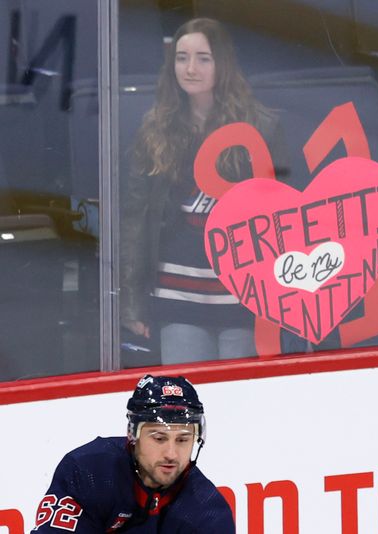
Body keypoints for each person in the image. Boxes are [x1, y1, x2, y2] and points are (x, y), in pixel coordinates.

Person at [120, 17, 290, 365]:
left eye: (203, 58)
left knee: (243, 405)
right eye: (181, 58)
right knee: (188, 407)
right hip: (178, 296)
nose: (190, 68)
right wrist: (133, 300)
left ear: (222, 64)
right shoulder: (155, 129)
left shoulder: (261, 127)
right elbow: (135, 219)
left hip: (243, 299)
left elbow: (284, 219)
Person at [31, 374, 234, 532]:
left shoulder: (208, 513)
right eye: (159, 438)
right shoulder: (89, 473)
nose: (171, 454)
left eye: (182, 440)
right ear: (132, 435)